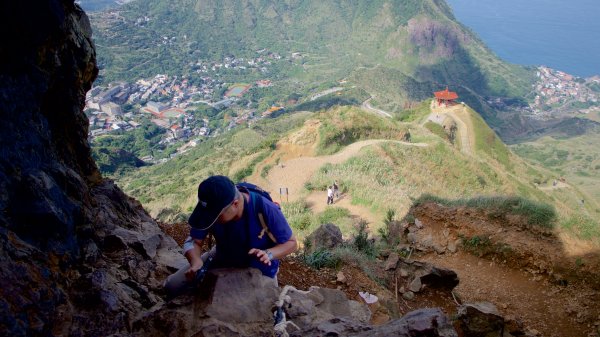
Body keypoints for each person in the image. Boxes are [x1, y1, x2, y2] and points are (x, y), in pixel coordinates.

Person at [164, 175, 298, 296]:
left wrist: (268, 254)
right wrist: (196, 262)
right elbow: (193, 241)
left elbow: (291, 243)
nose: (212, 220)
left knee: (252, 307)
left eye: (217, 216)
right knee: (172, 287)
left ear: (235, 204)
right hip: (222, 255)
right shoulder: (212, 206)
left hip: (258, 267)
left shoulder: (265, 208)